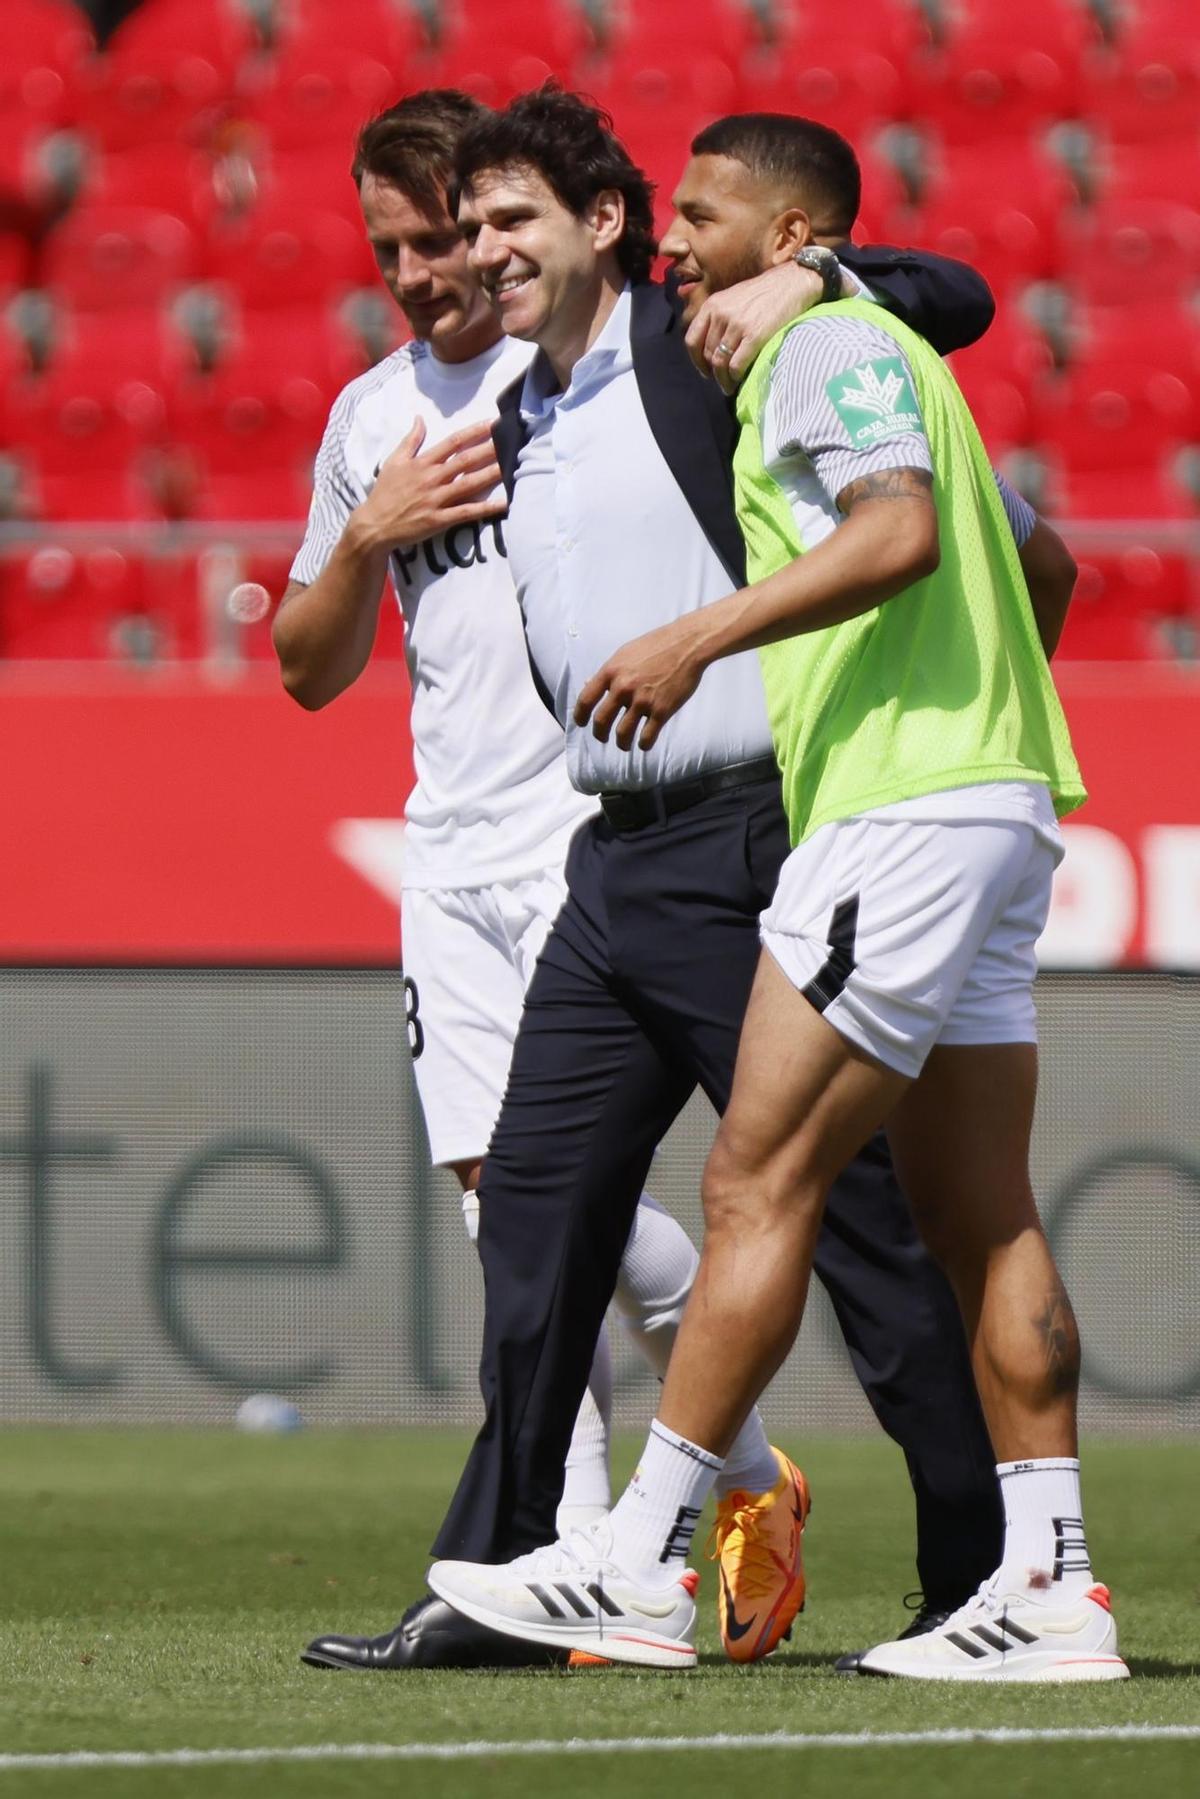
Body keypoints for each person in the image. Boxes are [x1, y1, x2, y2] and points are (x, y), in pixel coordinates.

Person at [429, 114, 1128, 1685]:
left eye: (701, 213)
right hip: (986, 795)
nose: (676, 238)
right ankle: (1052, 1586)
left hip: (898, 810)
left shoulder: (819, 353)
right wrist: (978, 733)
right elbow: (1045, 567)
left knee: (756, 1184)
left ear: (792, 229)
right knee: (977, 1213)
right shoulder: (849, 347)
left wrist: (703, 640)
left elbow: (899, 532)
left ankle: (635, 1562)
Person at [274, 90, 749, 1672]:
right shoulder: (367, 419)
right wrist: (366, 542)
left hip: (587, 833)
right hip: (448, 852)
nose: (419, 274)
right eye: (391, 249)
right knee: (521, 1223)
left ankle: (600, 1545)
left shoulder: (595, 374)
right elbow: (306, 667)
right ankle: (627, 1537)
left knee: (576, 1216)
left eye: (441, 237)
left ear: (497, 222)